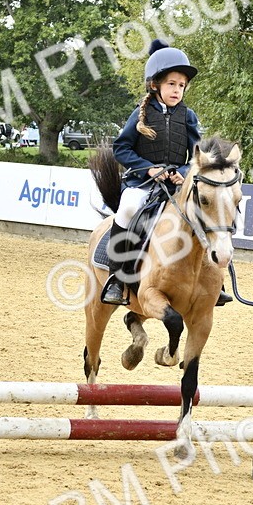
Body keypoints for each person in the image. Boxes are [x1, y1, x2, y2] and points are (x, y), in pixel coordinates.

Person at [101, 39, 204, 306]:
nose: (177, 90)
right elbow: (121, 148)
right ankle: (117, 278)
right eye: (172, 84)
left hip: (177, 186)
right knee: (127, 208)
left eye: (181, 85)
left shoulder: (188, 116)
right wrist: (150, 170)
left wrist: (183, 171)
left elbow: (198, 155)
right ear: (155, 84)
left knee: (204, 212)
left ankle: (212, 279)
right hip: (143, 183)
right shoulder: (141, 114)